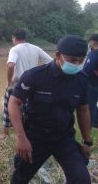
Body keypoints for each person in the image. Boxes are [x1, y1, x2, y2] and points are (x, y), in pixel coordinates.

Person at [8, 35, 92, 184]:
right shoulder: (35, 76)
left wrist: (87, 142)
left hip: (64, 137)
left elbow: (83, 110)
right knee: (20, 177)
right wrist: (21, 137)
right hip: (35, 137)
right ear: (58, 55)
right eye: (73, 60)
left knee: (81, 179)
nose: (77, 64)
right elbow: (14, 103)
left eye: (81, 60)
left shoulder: (82, 79)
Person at [82, 34, 98, 127]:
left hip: (92, 83)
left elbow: (86, 69)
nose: (88, 43)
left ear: (93, 41)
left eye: (89, 41)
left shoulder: (94, 54)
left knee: (90, 104)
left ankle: (91, 122)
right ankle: (96, 121)